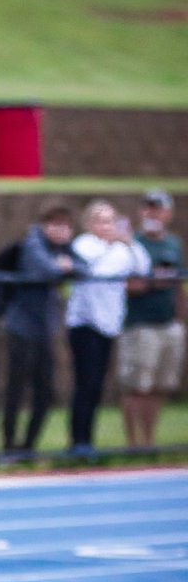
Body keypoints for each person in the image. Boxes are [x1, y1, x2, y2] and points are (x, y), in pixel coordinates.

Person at [65, 199, 150, 457]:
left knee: (97, 385)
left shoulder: (123, 248)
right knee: (86, 383)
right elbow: (93, 270)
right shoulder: (84, 245)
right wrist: (113, 246)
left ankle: (88, 441)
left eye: (111, 220)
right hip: (85, 323)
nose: (108, 226)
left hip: (109, 323)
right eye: (102, 221)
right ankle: (79, 441)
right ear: (90, 223)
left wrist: (129, 242)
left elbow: (142, 267)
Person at [0, 201, 85, 461]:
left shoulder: (65, 249)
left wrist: (66, 266)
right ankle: (8, 447)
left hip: (45, 330)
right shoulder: (32, 243)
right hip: (20, 327)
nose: (61, 232)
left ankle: (28, 447)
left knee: (46, 391)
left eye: (66, 227)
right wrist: (62, 267)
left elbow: (85, 268)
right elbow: (46, 269)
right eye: (55, 225)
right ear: (45, 225)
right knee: (15, 389)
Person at [117, 191, 185, 448]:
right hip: (139, 323)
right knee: (136, 385)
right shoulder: (130, 243)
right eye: (148, 208)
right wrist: (150, 282)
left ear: (168, 213)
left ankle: (149, 441)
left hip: (167, 323)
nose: (152, 214)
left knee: (159, 385)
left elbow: (177, 283)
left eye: (158, 209)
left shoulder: (173, 244)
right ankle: (132, 443)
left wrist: (180, 315)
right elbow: (122, 283)